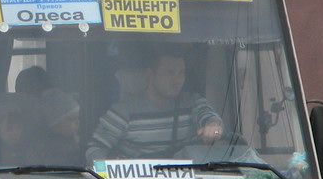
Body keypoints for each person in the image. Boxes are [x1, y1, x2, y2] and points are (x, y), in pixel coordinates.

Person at [87, 49, 223, 160]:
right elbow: (95, 149)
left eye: (181, 73)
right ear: (151, 74)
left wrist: (214, 128)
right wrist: (105, 174)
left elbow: (212, 121)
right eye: (170, 73)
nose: (177, 80)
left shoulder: (192, 102)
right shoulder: (123, 112)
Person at [38, 88, 82, 166]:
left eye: (78, 118)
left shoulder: (74, 142)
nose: (77, 122)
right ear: (55, 124)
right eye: (71, 119)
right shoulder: (53, 151)